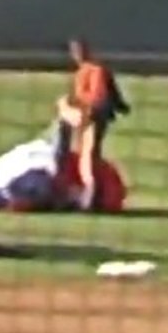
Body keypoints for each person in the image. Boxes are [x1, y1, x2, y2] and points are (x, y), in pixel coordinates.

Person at [62, 38, 129, 210]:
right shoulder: (87, 71)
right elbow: (112, 94)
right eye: (75, 52)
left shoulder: (95, 70)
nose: (77, 55)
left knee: (88, 155)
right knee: (88, 154)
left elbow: (101, 96)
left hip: (93, 117)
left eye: (80, 51)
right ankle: (94, 193)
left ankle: (90, 198)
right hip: (88, 117)